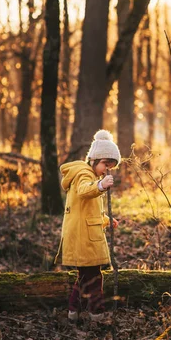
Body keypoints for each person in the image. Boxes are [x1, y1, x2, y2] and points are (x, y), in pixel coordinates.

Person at [59, 130, 121, 322]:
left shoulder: (89, 176)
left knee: (85, 277)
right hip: (83, 237)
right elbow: (84, 191)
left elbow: (88, 210)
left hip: (85, 234)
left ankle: (73, 311)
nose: (107, 169)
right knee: (94, 278)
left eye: (110, 166)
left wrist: (106, 220)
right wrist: (101, 186)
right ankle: (97, 314)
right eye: (105, 164)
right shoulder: (83, 175)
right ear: (93, 159)